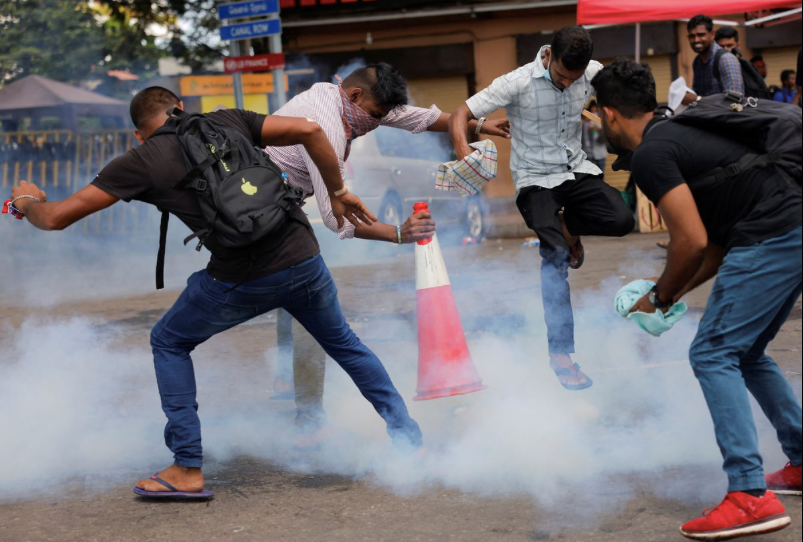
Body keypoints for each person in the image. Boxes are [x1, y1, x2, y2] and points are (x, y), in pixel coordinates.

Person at [7, 86, 425, 497]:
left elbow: (56, 217)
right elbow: (312, 130)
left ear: (138, 133)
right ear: (180, 107)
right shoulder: (227, 119)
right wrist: (338, 192)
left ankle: (187, 466)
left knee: (169, 340)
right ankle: (409, 440)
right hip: (302, 256)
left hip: (242, 276)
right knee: (345, 345)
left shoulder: (140, 160)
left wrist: (26, 201)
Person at [594, 59, 802, 541]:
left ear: (608, 113)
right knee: (746, 351)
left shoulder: (651, 154)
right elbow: (712, 247)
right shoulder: (681, 131)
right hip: (789, 226)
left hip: (773, 232)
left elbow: (689, 243)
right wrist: (664, 296)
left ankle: (749, 495)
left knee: (712, 352)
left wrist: (661, 294)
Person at [266, 63, 511, 446]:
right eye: (376, 115)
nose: (377, 123)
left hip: (272, 209)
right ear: (356, 97)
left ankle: (289, 381)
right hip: (262, 211)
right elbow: (335, 217)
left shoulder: (351, 103)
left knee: (290, 290)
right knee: (310, 300)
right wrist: (399, 233)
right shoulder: (326, 125)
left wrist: (477, 125)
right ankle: (309, 423)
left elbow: (418, 118)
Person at [449, 26, 634, 391]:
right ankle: (561, 354)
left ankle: (570, 228)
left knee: (622, 219)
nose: (567, 84)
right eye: (562, 76)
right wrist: (462, 150)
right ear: (548, 55)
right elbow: (461, 113)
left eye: (574, 79)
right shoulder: (516, 82)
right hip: (534, 180)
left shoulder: (593, 72)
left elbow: (623, 100)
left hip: (575, 170)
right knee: (554, 255)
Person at [682, 15, 745, 106]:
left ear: (712, 35)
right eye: (692, 36)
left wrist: (698, 99)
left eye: (701, 35)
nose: (696, 40)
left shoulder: (726, 59)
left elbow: (735, 100)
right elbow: (697, 93)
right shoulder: (697, 61)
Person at [581, 101, 607, 171]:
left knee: (600, 172)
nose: (593, 111)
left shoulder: (601, 119)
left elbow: (606, 134)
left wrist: (597, 129)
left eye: (595, 109)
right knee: (589, 173)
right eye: (592, 109)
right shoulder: (585, 121)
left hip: (600, 151)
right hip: (588, 151)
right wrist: (586, 120)